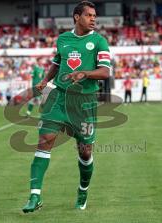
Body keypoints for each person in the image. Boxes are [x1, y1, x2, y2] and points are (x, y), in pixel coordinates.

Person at [22, 1, 110, 213]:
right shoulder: (63, 39)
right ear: (76, 17)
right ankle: (35, 196)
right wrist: (45, 80)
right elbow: (57, 62)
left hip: (84, 101)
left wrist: (85, 73)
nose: (93, 19)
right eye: (89, 15)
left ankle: (83, 189)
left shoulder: (99, 41)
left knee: (85, 152)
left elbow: (105, 72)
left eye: (94, 15)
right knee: (44, 141)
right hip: (58, 97)